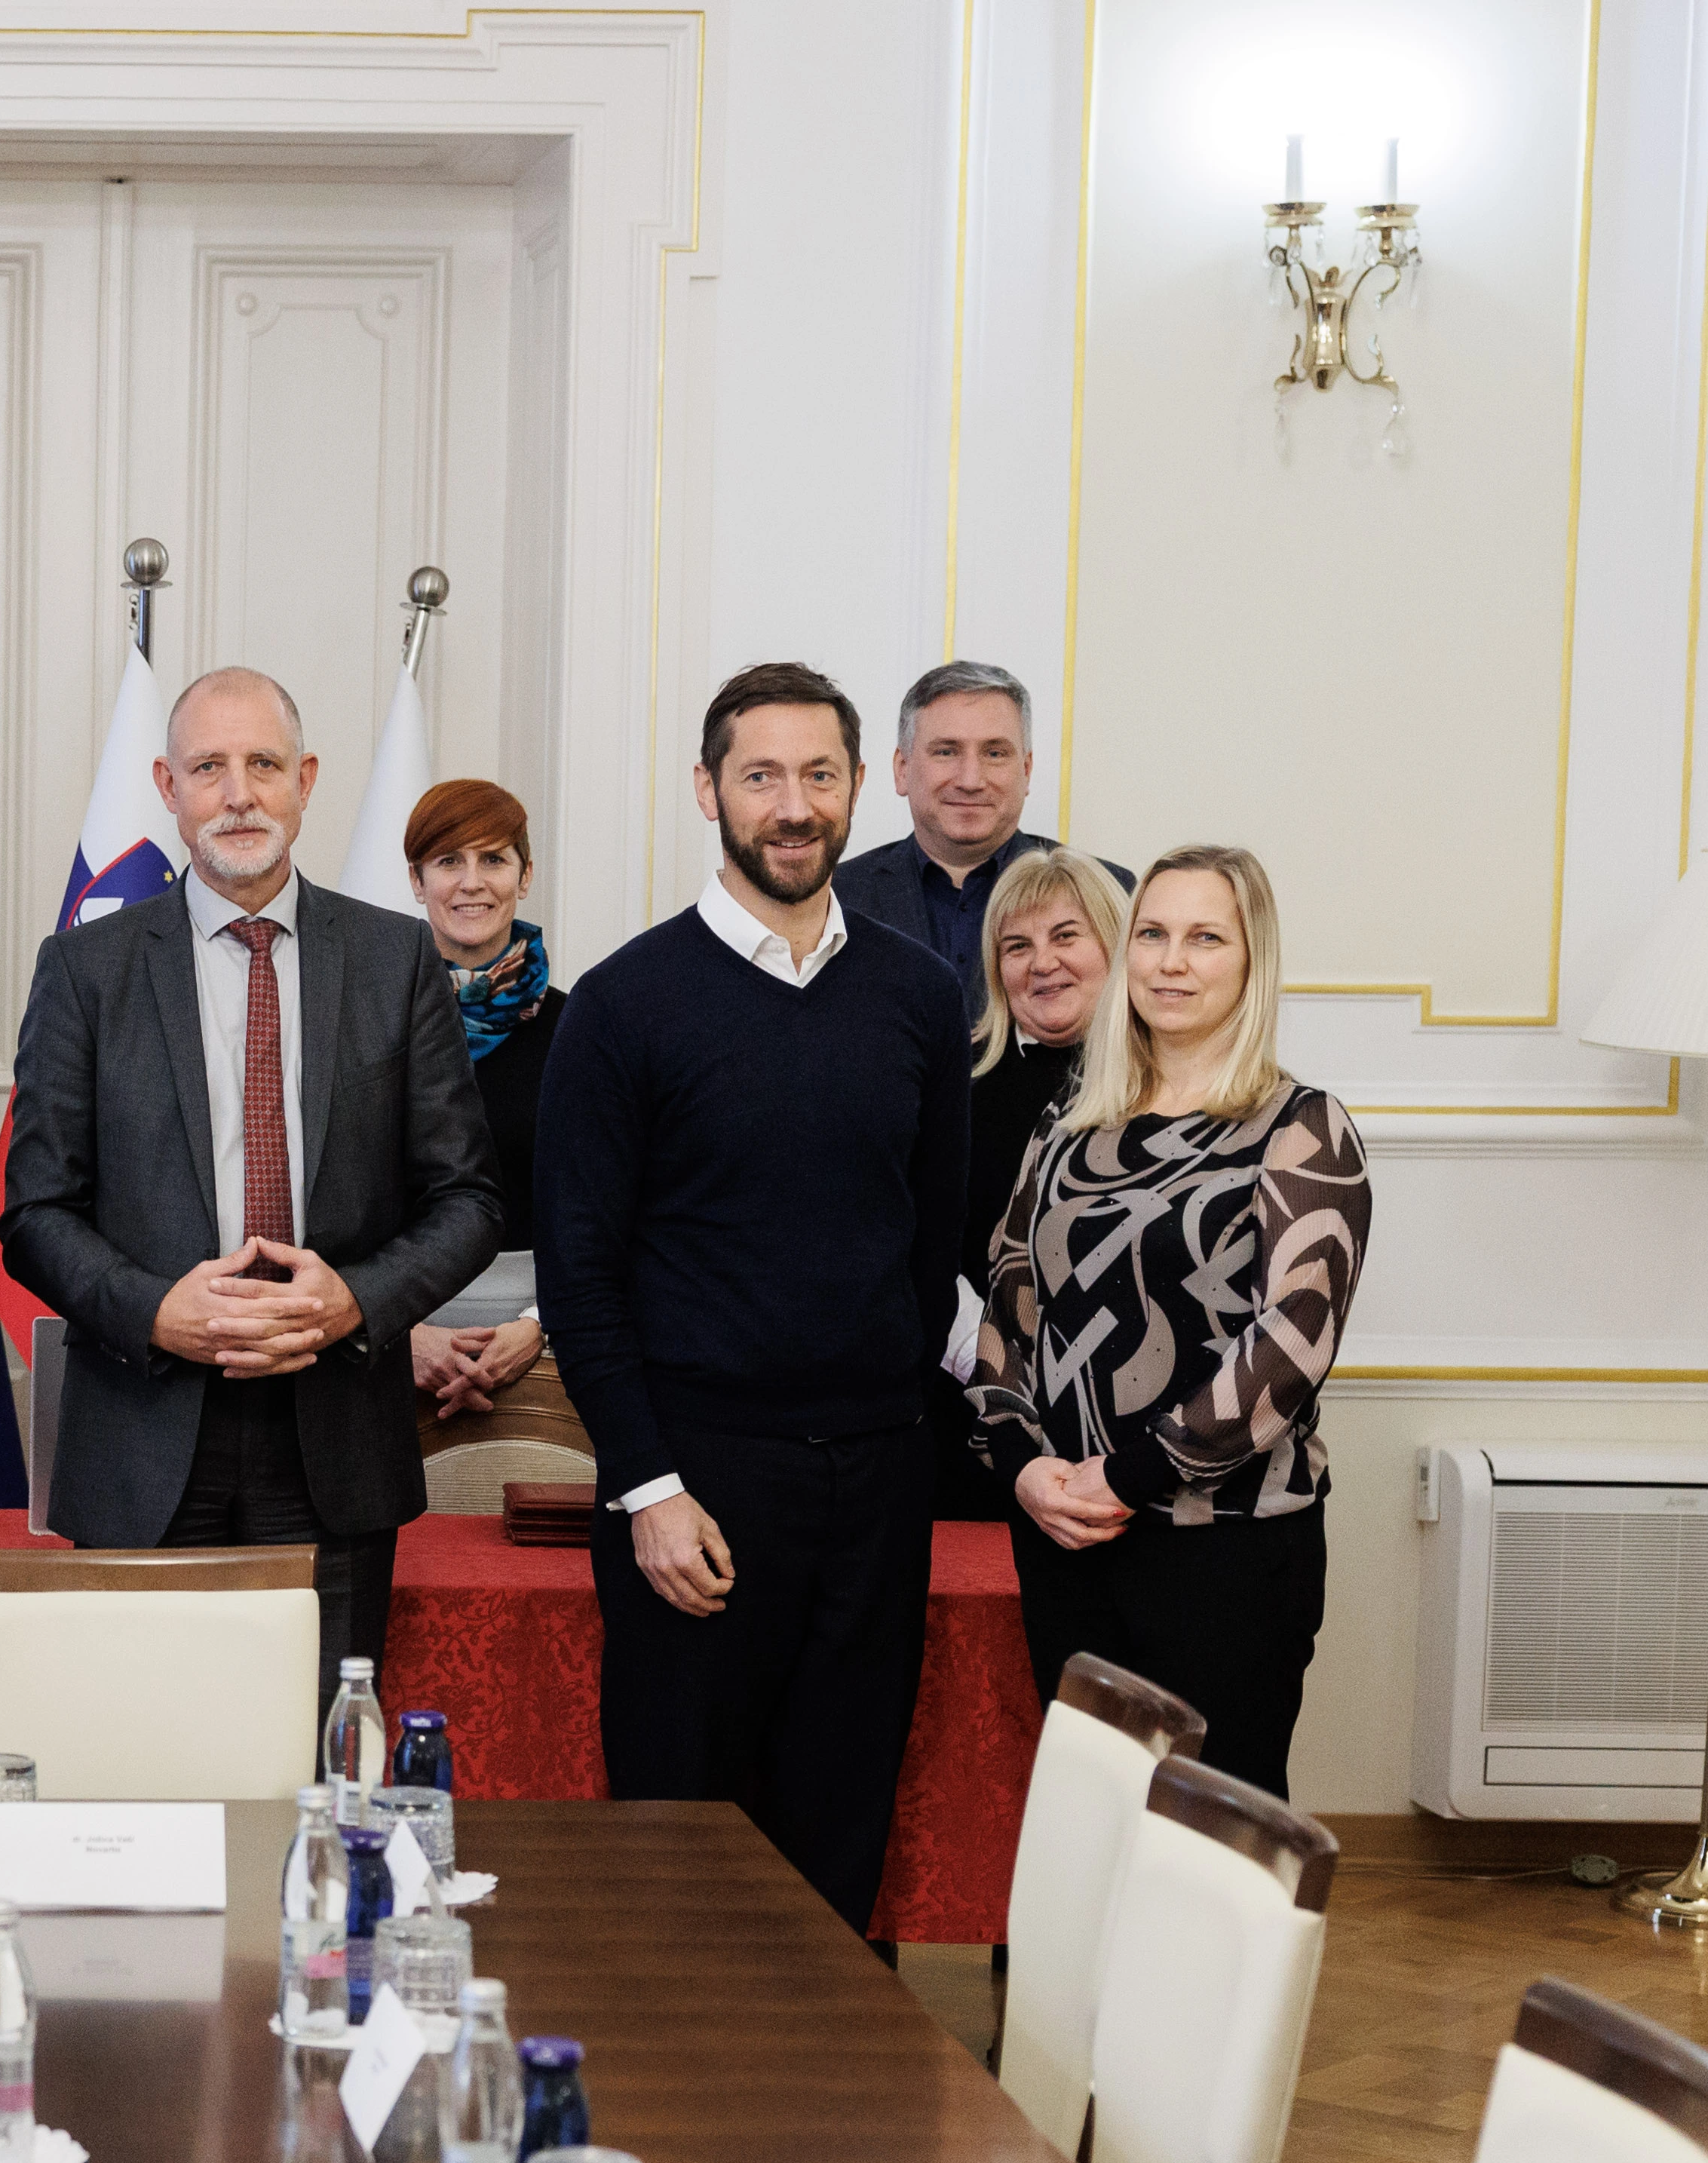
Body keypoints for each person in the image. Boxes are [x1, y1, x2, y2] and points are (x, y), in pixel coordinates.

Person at [535, 661, 967, 1932]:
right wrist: (648, 1490)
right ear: (707, 789)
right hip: (696, 1486)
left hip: (877, 1486)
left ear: (857, 786)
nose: (792, 805)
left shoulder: (919, 996)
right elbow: (580, 1277)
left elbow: (928, 1241)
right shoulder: (621, 1005)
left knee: (841, 1833)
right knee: (679, 1852)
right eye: (761, 775)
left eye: (818, 775)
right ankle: (678, 2068)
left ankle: (828, 2067)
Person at [0, 667, 499, 1693]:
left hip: (334, 1440)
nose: (237, 795)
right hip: (141, 1436)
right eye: (208, 769)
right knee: (141, 1755)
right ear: (166, 787)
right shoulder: (84, 969)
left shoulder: (395, 959)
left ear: (304, 781)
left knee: (317, 1757)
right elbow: (34, 1211)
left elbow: (468, 1200)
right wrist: (154, 1312)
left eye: (262, 765)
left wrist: (353, 1299)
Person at [969, 847, 1367, 1798]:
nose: (1171, 961)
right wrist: (1020, 1464)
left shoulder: (1302, 1126)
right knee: (1089, 1824)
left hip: (1223, 1547)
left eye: (1204, 938)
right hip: (1064, 1535)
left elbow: (1290, 1345)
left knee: (1206, 1842)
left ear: (1251, 959)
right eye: (1152, 933)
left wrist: (1127, 1475)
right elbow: (1008, 1300)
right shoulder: (1069, 1120)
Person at [927, 846, 1124, 1520]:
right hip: (976, 1429)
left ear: (1115, 945)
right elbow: (916, 1253)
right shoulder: (950, 1088)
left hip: (1135, 1439)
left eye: (1065, 936)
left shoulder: (1172, 1090)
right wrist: (996, 1375)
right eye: (1017, 946)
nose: (1041, 963)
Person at [395, 778, 565, 1426]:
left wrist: (539, 1324)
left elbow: (607, 1206)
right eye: (448, 861)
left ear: (525, 875)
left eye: (493, 858)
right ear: (416, 880)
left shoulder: (581, 1029)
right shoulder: (364, 1025)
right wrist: (399, 1335)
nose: (471, 882)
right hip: (386, 1344)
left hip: (542, 1345)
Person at [830, 660, 1102, 1020]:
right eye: (946, 752)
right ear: (902, 769)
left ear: (1026, 770)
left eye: (995, 753)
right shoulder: (832, 900)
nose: (970, 780)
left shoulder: (1105, 894)